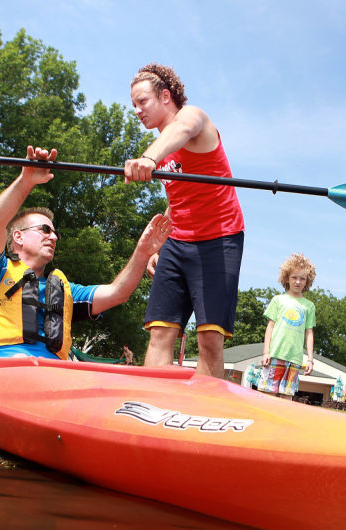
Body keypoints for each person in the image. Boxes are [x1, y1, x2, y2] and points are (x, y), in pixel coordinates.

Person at [0, 145, 172, 359]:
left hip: (52, 373)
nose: (54, 237)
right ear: (18, 237)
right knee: (21, 361)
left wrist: (142, 252)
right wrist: (26, 181)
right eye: (45, 230)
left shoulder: (66, 291)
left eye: (55, 233)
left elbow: (117, 293)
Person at [124, 62, 245, 378]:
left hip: (219, 239)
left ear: (165, 96)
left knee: (209, 338)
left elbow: (183, 129)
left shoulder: (192, 119)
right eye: (133, 105)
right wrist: (159, 246)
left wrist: (148, 158)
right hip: (177, 243)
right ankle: (151, 408)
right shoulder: (162, 148)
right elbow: (177, 198)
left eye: (143, 102)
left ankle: (208, 414)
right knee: (160, 332)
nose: (137, 110)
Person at [259, 253, 317, 400]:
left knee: (287, 396)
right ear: (287, 278)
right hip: (275, 354)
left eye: (302, 278)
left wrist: (310, 359)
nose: (298, 282)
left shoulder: (309, 306)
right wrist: (266, 352)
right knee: (268, 394)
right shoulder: (278, 300)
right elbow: (270, 327)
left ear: (307, 281)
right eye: (294, 277)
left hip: (295, 359)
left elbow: (309, 333)